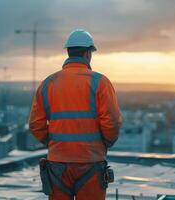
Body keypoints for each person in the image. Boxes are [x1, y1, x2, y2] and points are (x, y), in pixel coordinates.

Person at [29, 29, 122, 200]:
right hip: (91, 161)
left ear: (68, 52)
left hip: (57, 163)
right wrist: (105, 143)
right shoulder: (100, 82)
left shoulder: (48, 83)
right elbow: (112, 122)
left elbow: (35, 124)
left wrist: (53, 143)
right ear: (88, 53)